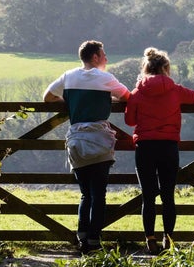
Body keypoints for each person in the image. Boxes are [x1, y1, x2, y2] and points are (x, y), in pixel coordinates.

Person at [43, 40, 129, 255]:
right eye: (104, 54)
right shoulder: (106, 78)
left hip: (76, 139)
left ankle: (82, 237)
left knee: (85, 194)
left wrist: (72, 103)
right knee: (99, 194)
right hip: (99, 139)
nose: (106, 58)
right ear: (95, 57)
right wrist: (105, 97)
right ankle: (94, 241)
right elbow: (127, 97)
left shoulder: (69, 75)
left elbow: (47, 98)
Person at [125, 47, 194, 255]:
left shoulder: (137, 92)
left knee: (148, 196)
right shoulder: (174, 89)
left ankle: (150, 239)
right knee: (168, 195)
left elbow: (130, 120)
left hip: (145, 147)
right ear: (166, 68)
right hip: (168, 146)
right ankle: (169, 238)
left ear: (146, 67)